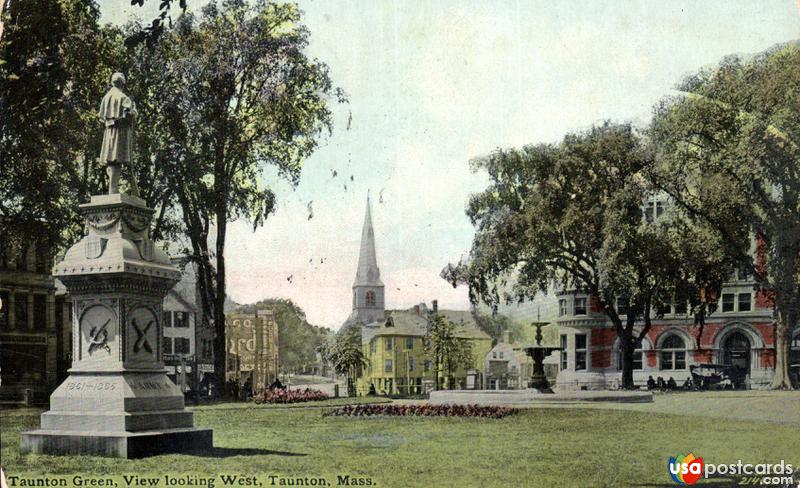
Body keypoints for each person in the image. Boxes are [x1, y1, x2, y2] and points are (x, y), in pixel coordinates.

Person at [98, 72, 139, 195]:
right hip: (121, 132)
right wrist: (134, 111)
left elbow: (101, 117)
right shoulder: (124, 98)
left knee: (111, 161)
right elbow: (129, 116)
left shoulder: (106, 97)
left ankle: (112, 189)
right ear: (123, 83)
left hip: (109, 132)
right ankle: (113, 190)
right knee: (116, 161)